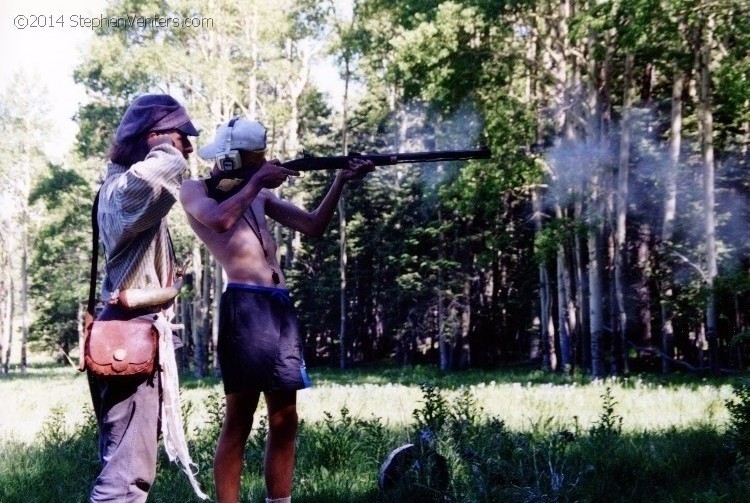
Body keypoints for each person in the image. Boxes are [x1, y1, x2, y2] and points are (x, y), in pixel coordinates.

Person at [180, 117, 374, 503]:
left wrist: (339, 180)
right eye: (253, 160)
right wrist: (257, 182)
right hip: (245, 307)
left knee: (285, 418)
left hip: (279, 307)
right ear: (234, 160)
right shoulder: (195, 190)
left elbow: (314, 226)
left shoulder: (259, 195)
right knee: (240, 419)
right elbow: (220, 220)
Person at [87, 93, 207, 502]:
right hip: (130, 337)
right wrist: (163, 144)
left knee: (124, 464)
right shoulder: (125, 189)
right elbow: (169, 167)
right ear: (153, 137)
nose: (187, 147)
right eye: (181, 136)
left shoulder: (117, 186)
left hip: (130, 335)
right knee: (126, 478)